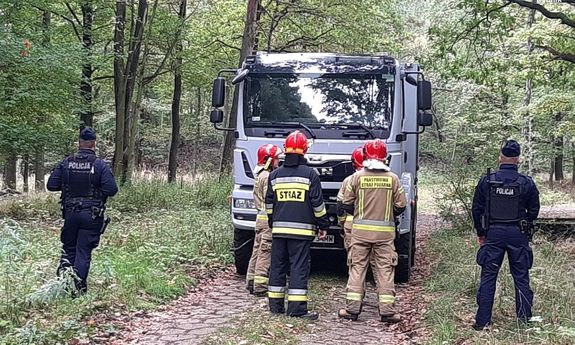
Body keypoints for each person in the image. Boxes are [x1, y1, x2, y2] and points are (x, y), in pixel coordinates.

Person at [471, 139, 540, 331]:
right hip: (518, 234)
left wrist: (481, 233)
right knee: (521, 277)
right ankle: (524, 321)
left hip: (493, 234)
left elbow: (476, 209)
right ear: (518, 160)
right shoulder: (526, 183)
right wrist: (523, 224)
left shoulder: (487, 180)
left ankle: (482, 322)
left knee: (488, 277)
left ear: (500, 157)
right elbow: (534, 210)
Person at [338, 139, 407, 323]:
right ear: (385, 157)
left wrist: (360, 214)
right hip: (385, 235)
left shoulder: (356, 177)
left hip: (359, 233)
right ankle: (387, 311)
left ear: (366, 156)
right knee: (385, 269)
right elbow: (401, 206)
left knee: (357, 268)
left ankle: (352, 309)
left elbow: (345, 204)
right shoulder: (393, 178)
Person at [265, 130, 329, 320]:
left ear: (285, 150)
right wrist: (323, 225)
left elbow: (269, 204)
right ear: (304, 151)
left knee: (277, 267)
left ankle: (275, 306)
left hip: (278, 230)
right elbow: (317, 204)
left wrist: (272, 221)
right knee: (298, 267)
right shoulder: (310, 174)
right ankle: (297, 309)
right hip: (301, 232)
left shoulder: (274, 175)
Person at [47, 127, 118, 294]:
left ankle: (64, 285)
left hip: (70, 213)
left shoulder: (66, 162)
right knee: (83, 250)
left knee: (69, 247)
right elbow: (111, 189)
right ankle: (78, 290)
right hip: (92, 215)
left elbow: (51, 185)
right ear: (94, 144)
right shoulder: (99, 165)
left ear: (79, 143)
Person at [246, 144, 282, 296]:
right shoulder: (267, 177)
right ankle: (260, 286)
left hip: (260, 219)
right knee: (265, 252)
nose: (278, 162)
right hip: (267, 220)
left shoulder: (260, 175)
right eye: (276, 159)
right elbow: (270, 200)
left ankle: (251, 281)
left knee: (257, 250)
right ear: (269, 160)